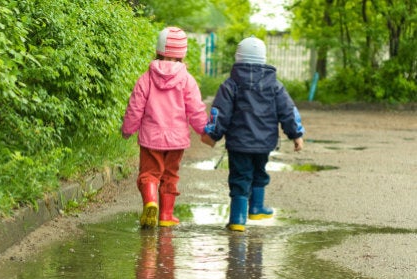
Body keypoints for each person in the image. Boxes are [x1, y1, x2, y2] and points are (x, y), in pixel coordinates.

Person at [201, 36, 305, 232]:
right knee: (259, 172)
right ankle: (256, 207)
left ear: (238, 57)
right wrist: (296, 134)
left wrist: (212, 135)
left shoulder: (230, 85)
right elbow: (288, 111)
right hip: (264, 143)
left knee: (240, 177)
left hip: (239, 144)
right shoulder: (275, 86)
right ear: (263, 59)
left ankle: (238, 220)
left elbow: (219, 112)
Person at [121, 26, 209, 229]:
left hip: (151, 139)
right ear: (182, 54)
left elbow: (135, 107)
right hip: (176, 141)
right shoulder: (187, 80)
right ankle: (166, 215)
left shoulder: (146, 78)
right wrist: (203, 130)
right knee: (170, 176)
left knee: (149, 174)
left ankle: (150, 202)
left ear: (158, 51)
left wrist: (128, 129)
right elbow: (196, 109)